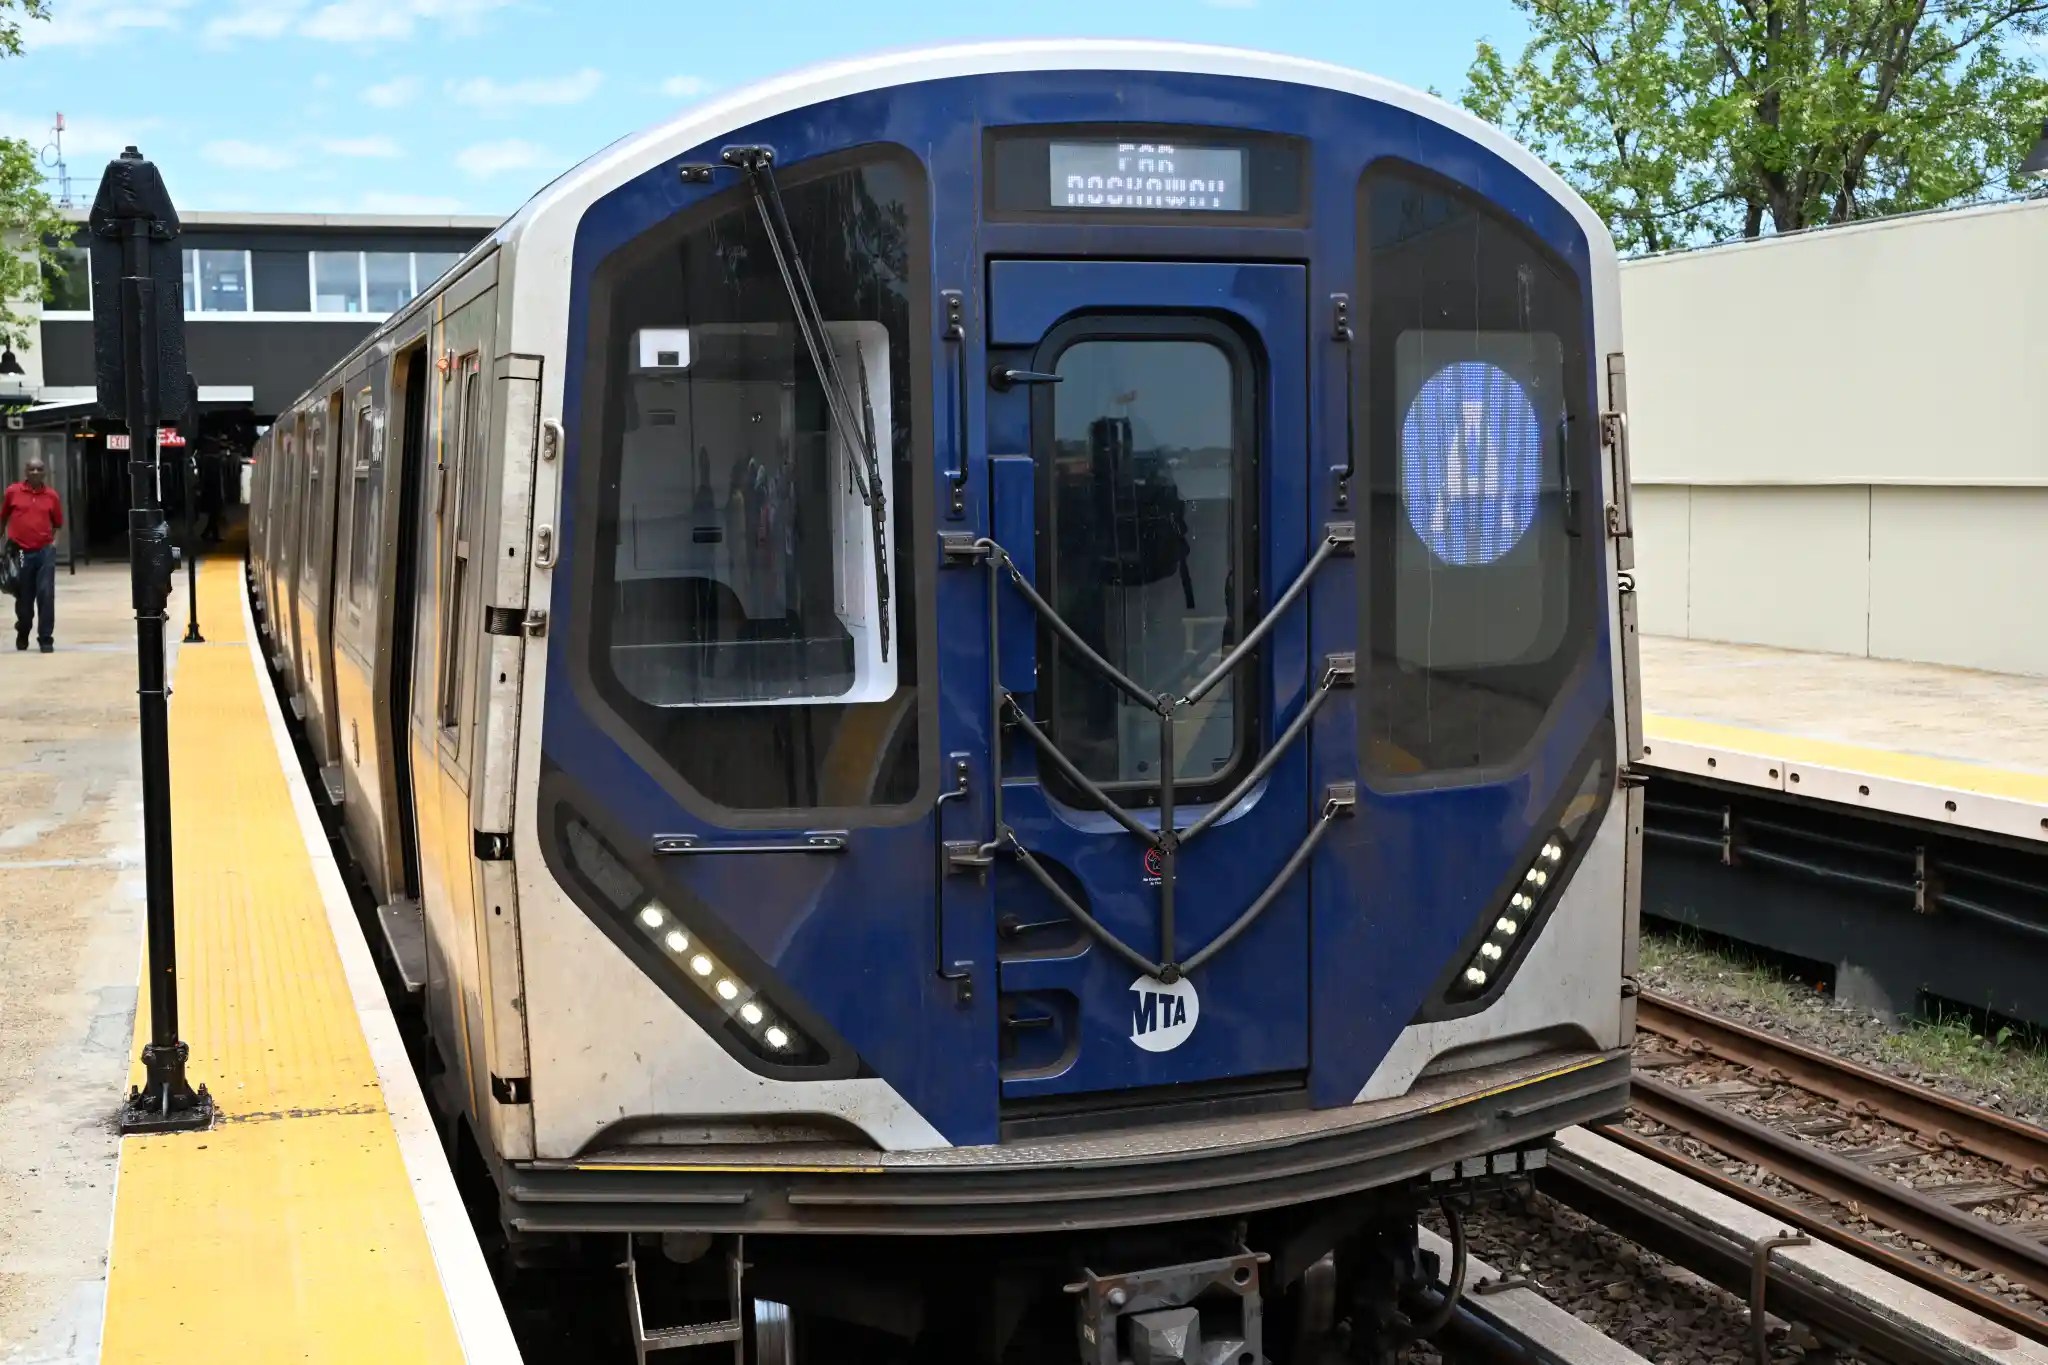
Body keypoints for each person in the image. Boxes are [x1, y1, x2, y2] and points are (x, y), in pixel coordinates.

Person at [1, 458, 63, 652]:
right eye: (32, 469)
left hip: (44, 551)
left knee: (46, 594)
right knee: (24, 598)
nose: (35, 472)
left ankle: (46, 638)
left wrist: (53, 545)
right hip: (20, 551)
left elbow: (58, 524)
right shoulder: (13, 492)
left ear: (44, 473)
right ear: (25, 472)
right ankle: (23, 630)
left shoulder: (52, 496)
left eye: (39, 469)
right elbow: (3, 519)